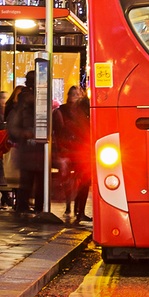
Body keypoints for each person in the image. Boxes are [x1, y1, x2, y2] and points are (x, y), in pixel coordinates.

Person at [51, 84, 93, 225]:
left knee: (85, 181)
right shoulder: (61, 111)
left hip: (83, 150)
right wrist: (59, 151)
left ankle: (80, 211)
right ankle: (71, 207)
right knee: (70, 181)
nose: (76, 97)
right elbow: (57, 133)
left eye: (79, 95)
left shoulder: (85, 110)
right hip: (68, 150)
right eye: (74, 94)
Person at [7, 78, 44, 214]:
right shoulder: (22, 106)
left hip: (37, 151)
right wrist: (26, 134)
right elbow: (13, 129)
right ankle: (24, 207)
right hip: (28, 150)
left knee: (38, 183)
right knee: (27, 182)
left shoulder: (39, 104)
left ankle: (34, 208)